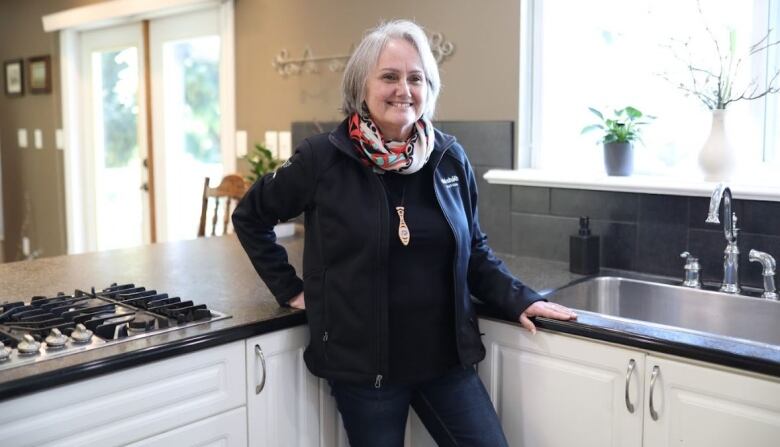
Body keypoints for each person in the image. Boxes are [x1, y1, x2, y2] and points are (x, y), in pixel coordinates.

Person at [233, 19, 577, 447]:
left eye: (416, 78)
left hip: (445, 364)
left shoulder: (449, 157)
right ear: (362, 87)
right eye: (390, 76)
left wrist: (521, 298)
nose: (404, 89)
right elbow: (249, 216)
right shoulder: (321, 159)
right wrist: (289, 288)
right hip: (365, 371)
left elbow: (475, 251)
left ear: (429, 88)